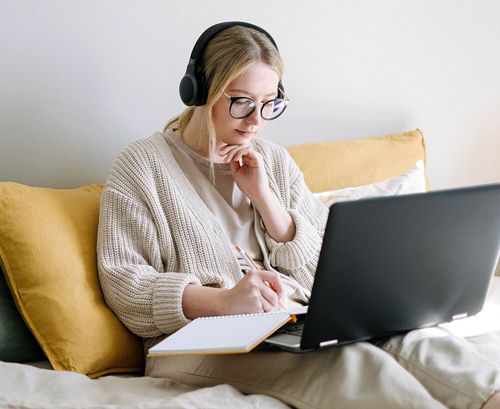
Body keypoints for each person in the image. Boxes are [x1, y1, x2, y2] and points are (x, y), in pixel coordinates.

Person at [97, 22, 500, 409]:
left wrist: (266, 198)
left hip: (294, 321)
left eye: (269, 104)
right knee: (354, 367)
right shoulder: (142, 166)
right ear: (200, 91)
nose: (256, 120)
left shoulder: (272, 159)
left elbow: (326, 268)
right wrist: (224, 301)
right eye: (241, 102)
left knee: (421, 342)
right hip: (195, 342)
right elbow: (126, 285)